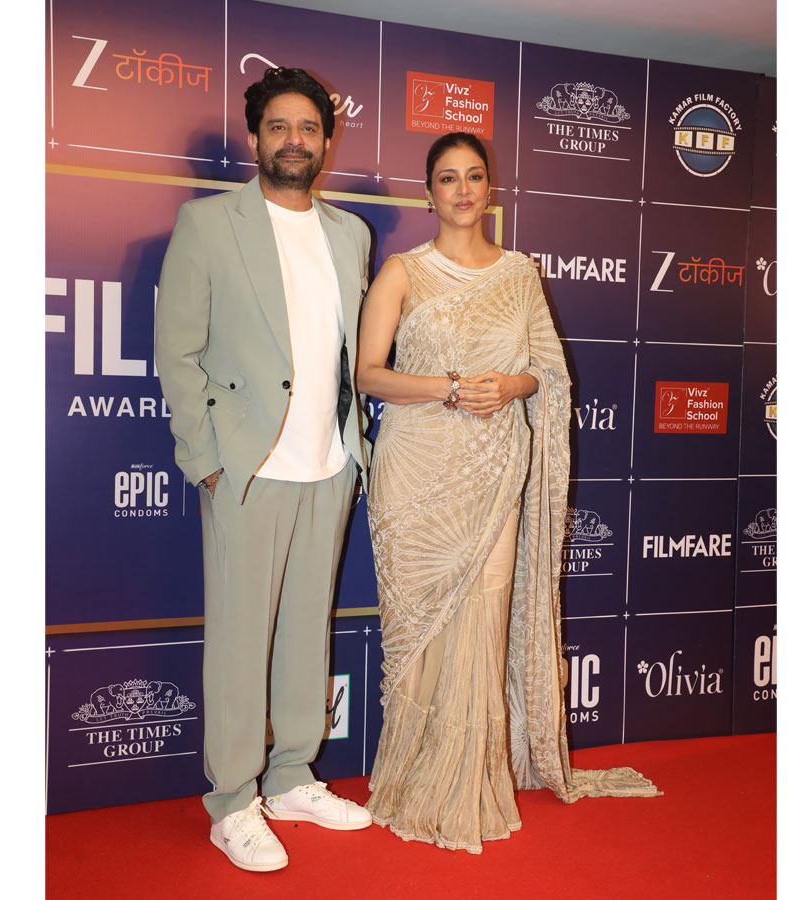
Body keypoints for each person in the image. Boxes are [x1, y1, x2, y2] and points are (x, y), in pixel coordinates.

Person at [356, 132, 660, 854]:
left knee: (485, 620)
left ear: (490, 187)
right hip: (415, 475)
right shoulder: (402, 271)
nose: (462, 190)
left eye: (473, 176)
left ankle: (470, 778)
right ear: (428, 192)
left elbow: (547, 374)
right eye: (447, 178)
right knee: (416, 632)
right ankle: (408, 775)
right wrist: (449, 388)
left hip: (494, 471)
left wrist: (510, 385)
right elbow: (367, 374)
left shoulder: (520, 274)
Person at [154, 66, 373, 873]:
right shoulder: (208, 224)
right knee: (241, 641)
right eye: (279, 126)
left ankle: (291, 779)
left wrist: (351, 452)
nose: (294, 140)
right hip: (246, 467)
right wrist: (205, 461)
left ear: (326, 141)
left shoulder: (350, 234)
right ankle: (232, 802)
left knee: (307, 630)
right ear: (255, 138)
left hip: (330, 463)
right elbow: (177, 353)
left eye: (309, 127)